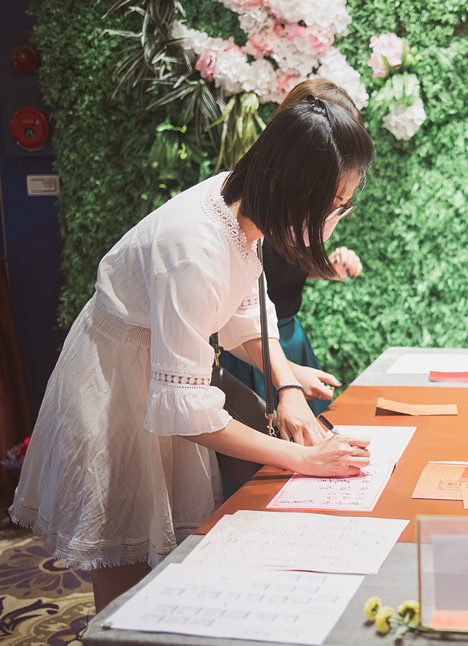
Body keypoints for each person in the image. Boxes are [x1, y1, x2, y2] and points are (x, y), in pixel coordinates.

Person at [9, 94, 374, 612]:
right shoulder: (195, 249)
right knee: (125, 563)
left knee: (169, 560)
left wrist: (288, 384)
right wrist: (304, 458)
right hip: (117, 386)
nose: (338, 217)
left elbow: (242, 311)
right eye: (334, 204)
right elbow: (183, 412)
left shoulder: (241, 205)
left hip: (156, 376)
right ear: (288, 184)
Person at [218, 79, 367, 418]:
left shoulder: (307, 205)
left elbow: (289, 266)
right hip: (249, 343)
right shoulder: (254, 207)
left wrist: (328, 266)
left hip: (287, 334)